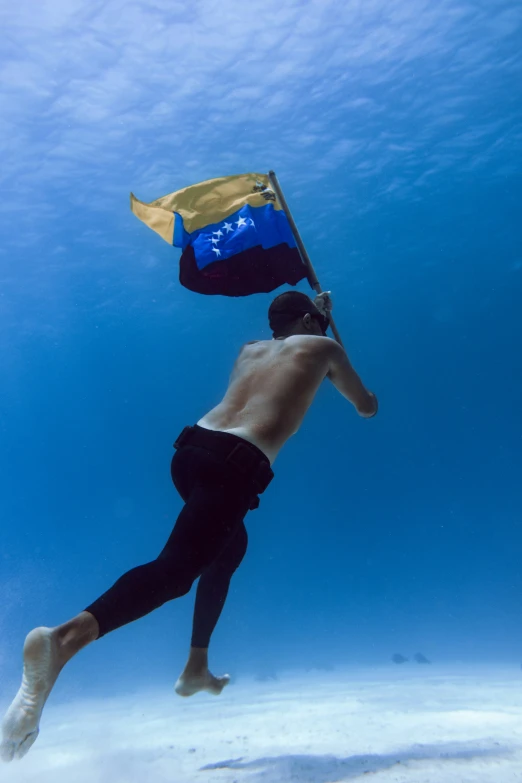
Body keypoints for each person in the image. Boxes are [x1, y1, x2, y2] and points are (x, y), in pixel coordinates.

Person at [0, 290, 377, 763]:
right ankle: (63, 640)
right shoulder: (325, 347)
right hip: (235, 465)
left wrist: (314, 317)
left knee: (229, 544)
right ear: (308, 319)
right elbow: (365, 405)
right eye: (315, 322)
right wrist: (332, 337)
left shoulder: (250, 349)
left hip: (192, 453)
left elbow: (290, 348)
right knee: (176, 571)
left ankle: (196, 666)